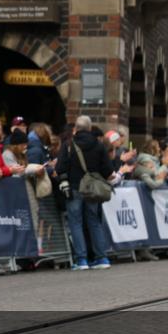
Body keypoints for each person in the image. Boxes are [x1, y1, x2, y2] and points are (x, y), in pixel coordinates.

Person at [56, 115, 114, 270]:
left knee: (76, 223)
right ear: (90, 128)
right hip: (92, 190)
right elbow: (108, 170)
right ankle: (102, 258)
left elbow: (60, 167)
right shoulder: (99, 145)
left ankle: (81, 260)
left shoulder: (68, 144)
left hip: (74, 188)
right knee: (94, 222)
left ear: (76, 129)